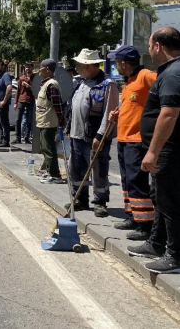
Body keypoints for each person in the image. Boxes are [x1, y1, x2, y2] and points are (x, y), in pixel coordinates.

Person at [127, 27, 180, 274]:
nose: (148, 50)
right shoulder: (170, 71)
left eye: (149, 45)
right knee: (160, 197)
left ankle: (175, 256)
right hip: (164, 149)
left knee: (170, 202)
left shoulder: (172, 74)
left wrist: (153, 151)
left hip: (167, 150)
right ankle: (157, 243)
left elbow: (169, 113)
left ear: (158, 45)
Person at [106, 45, 157, 241]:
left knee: (137, 182)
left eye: (117, 62)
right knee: (127, 180)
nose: (116, 66)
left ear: (123, 63)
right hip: (124, 138)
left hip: (137, 140)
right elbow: (134, 106)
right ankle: (132, 216)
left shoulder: (145, 75)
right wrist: (119, 113)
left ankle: (145, 225)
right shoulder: (129, 82)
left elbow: (164, 91)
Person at [68, 49, 119, 217]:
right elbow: (74, 108)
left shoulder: (107, 84)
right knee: (76, 169)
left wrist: (100, 136)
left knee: (98, 170)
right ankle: (80, 198)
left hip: (94, 136)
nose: (76, 67)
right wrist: (69, 128)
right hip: (77, 135)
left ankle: (100, 201)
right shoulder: (81, 82)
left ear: (88, 66)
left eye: (79, 64)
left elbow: (109, 113)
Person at [35, 59, 67, 184]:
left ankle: (55, 175)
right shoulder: (46, 84)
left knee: (49, 149)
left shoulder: (51, 85)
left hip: (49, 122)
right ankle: (48, 172)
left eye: (41, 68)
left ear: (47, 69)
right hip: (44, 121)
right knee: (45, 148)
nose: (39, 70)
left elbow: (58, 105)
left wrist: (61, 120)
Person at [14, 63, 36, 144]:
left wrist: (28, 86)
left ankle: (27, 137)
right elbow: (18, 91)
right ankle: (18, 138)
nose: (27, 69)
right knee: (18, 119)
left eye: (29, 67)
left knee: (29, 120)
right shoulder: (21, 78)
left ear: (32, 68)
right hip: (21, 100)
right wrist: (15, 102)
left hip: (30, 101)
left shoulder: (35, 78)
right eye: (26, 67)